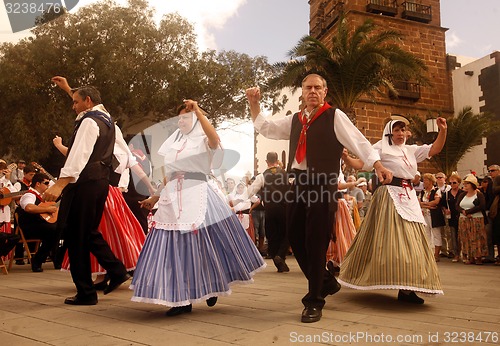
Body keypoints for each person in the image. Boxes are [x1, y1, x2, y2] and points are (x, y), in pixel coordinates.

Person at [246, 74, 393, 323]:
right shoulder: (295, 120)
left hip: (323, 184)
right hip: (298, 184)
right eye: (308, 87)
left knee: (316, 241)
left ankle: (314, 300)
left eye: (317, 87)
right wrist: (253, 103)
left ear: (325, 92)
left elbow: (359, 142)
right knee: (294, 235)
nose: (312, 91)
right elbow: (266, 128)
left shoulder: (334, 116)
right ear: (302, 92)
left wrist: (377, 165)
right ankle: (325, 281)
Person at [130, 100, 265, 316]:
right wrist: (155, 197)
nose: (183, 120)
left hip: (200, 193)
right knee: (175, 247)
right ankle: (182, 299)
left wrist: (199, 112)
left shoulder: (204, 138)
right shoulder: (173, 142)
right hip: (173, 196)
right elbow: (169, 173)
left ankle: (210, 284)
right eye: (181, 117)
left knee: (205, 245)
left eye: (188, 117)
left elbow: (214, 139)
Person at [339, 114, 447, 304]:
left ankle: (408, 288)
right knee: (394, 240)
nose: (400, 133)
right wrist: (347, 159)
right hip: (389, 196)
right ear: (389, 132)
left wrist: (443, 130)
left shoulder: (411, 150)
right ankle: (394, 282)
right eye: (396, 130)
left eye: (403, 130)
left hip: (410, 197)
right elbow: (362, 163)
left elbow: (435, 148)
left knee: (414, 239)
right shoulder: (380, 147)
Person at [44, 83, 130, 305]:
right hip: (100, 182)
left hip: (84, 182)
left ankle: (86, 292)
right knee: (88, 232)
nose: (73, 107)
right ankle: (116, 270)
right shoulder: (108, 121)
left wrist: (59, 185)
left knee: (76, 237)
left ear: (88, 101)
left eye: (75, 102)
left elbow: (78, 156)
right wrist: (69, 89)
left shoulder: (90, 122)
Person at [247, 152, 289, 272]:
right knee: (286, 233)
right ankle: (280, 255)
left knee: (272, 235)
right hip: (284, 207)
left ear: (266, 161)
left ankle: (278, 260)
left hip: (270, 209)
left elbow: (250, 192)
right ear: (277, 160)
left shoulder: (262, 176)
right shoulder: (285, 174)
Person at [16, 173, 59, 272]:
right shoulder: (29, 195)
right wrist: (47, 209)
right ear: (38, 184)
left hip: (41, 225)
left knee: (63, 228)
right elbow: (29, 208)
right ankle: (38, 260)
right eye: (46, 183)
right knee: (53, 230)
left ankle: (58, 258)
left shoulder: (43, 197)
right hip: (29, 227)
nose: (48, 185)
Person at [456, 174, 487, 265]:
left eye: (467, 184)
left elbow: (482, 205)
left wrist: (469, 212)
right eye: (464, 184)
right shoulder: (462, 195)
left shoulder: (479, 194)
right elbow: (457, 206)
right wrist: (463, 211)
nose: (465, 185)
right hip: (464, 219)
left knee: (477, 237)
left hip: (476, 219)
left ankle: (478, 256)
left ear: (472, 185)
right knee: (466, 238)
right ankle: (470, 256)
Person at [419, 173, 445, 262]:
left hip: (434, 216)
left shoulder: (436, 190)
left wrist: (424, 204)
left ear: (430, 181)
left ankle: (436, 254)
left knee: (436, 234)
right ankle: (428, 253)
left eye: (425, 180)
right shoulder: (423, 192)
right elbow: (419, 203)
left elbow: (436, 202)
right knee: (426, 234)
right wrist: (429, 206)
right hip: (425, 215)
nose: (424, 182)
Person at [442, 173, 464, 262]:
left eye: (454, 183)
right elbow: (442, 204)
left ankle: (465, 254)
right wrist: (445, 210)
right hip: (452, 217)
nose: (452, 185)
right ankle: (456, 254)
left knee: (463, 236)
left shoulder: (462, 193)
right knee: (453, 236)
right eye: (450, 183)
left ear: (459, 183)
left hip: (461, 216)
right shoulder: (447, 194)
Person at [489, 165, 500, 265]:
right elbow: (494, 191)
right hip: (495, 211)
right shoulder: (490, 182)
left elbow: (495, 190)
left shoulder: (497, 179)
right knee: (496, 234)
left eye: (492, 170)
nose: (490, 172)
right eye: (489, 171)